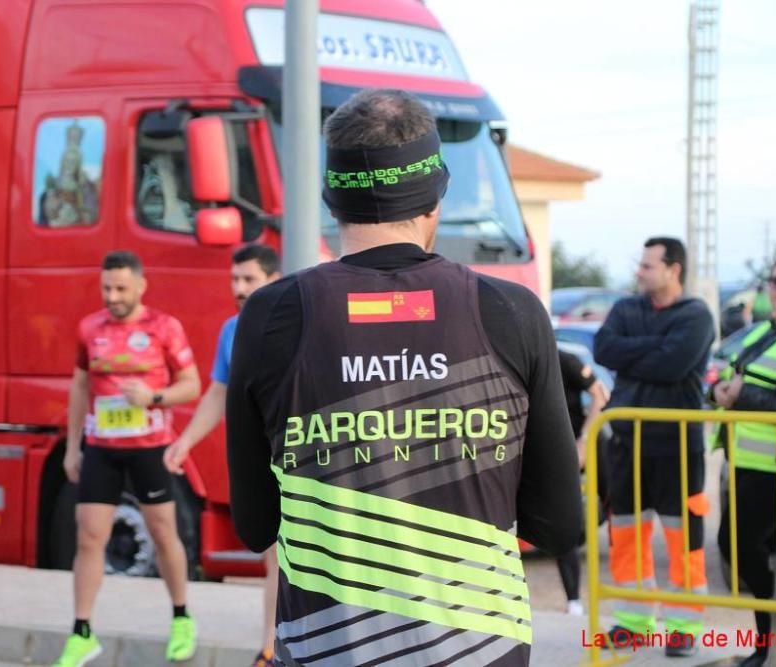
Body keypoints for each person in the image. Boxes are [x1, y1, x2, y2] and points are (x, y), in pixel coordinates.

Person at [225, 89, 582, 666]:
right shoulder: (512, 310)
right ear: (436, 195)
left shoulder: (271, 314)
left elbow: (254, 524)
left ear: (330, 199)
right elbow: (560, 524)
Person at [55, 250, 201, 666]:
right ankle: (81, 632)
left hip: (149, 446)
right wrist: (72, 447)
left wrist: (154, 396)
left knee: (162, 532)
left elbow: (191, 385)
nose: (113, 296)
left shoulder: (164, 328)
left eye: (121, 288)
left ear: (140, 286)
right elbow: (79, 387)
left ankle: (181, 617)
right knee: (87, 537)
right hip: (102, 447)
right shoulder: (90, 327)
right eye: (106, 288)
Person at [594, 237, 715, 657]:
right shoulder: (627, 308)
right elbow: (603, 349)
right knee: (626, 535)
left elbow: (673, 365)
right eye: (640, 265)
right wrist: (651, 350)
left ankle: (682, 628)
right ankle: (634, 623)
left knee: (684, 539)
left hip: (677, 446)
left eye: (647, 266)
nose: (639, 273)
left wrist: (631, 354)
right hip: (626, 443)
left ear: (673, 269)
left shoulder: (697, 315)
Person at [163, 243, 281, 666]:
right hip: (259, 463)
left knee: (291, 556)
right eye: (234, 279)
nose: (238, 287)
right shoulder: (232, 330)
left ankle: (282, 647)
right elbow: (218, 391)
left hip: (297, 457)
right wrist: (185, 441)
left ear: (273, 280)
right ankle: (270, 647)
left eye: (248, 279)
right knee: (274, 555)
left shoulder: (292, 323)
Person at [710, 256, 776, 667]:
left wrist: (738, 396)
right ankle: (767, 648)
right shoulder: (767, 332)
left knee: (737, 547)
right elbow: (731, 378)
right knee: (757, 555)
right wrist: (716, 393)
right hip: (747, 462)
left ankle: (772, 645)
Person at [556, 348, 609, 617]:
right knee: (562, 524)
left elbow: (601, 395)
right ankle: (573, 600)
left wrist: (584, 440)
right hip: (549, 450)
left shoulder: (566, 360)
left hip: (582, 446)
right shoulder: (518, 357)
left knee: (610, 504)